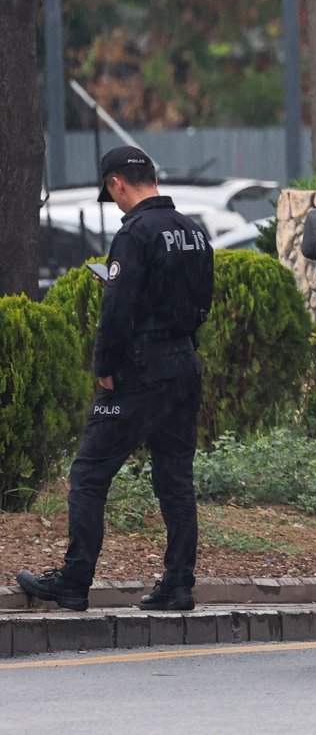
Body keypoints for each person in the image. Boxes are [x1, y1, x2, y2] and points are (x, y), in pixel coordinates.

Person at [17, 146, 214, 613]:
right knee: (175, 478)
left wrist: (105, 367)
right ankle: (179, 583)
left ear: (116, 183)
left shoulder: (136, 234)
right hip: (184, 364)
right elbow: (203, 299)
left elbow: (118, 309)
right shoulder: (194, 232)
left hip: (141, 369)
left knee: (88, 476)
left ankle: (73, 581)